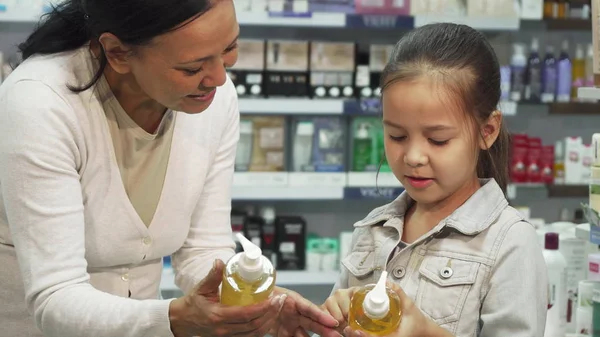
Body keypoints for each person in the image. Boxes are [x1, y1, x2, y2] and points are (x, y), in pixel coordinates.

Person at [0, 1, 339, 336]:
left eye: (229, 48)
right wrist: (176, 318)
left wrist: (259, 304)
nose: (220, 78)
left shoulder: (213, 102)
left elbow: (203, 252)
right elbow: (56, 297)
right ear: (117, 52)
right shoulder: (41, 105)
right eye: (192, 68)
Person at [321, 23, 548, 337]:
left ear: (487, 131)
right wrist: (331, 319)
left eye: (438, 140)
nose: (413, 156)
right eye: (397, 135)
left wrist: (427, 332)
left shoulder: (510, 244)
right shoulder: (373, 232)